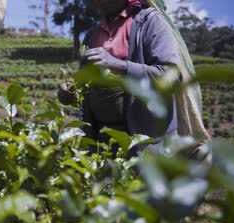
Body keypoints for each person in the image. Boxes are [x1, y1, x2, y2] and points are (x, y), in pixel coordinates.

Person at [58, 0, 189, 155]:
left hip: (145, 145)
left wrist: (119, 65)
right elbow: (83, 84)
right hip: (101, 144)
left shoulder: (149, 21)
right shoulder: (92, 35)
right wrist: (70, 91)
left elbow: (170, 76)